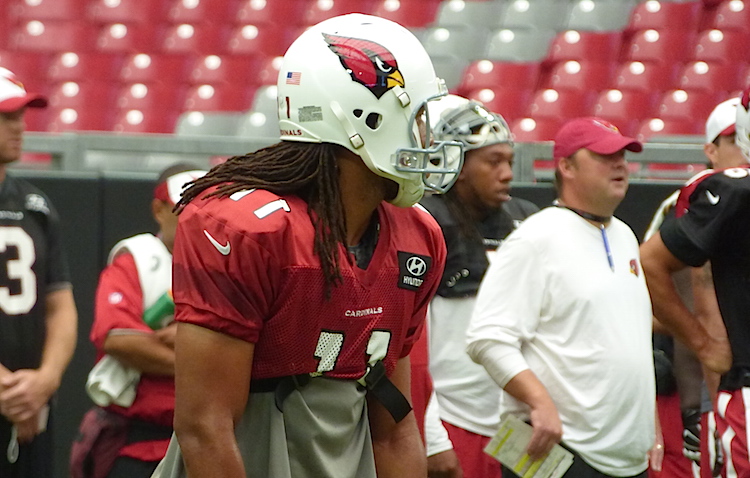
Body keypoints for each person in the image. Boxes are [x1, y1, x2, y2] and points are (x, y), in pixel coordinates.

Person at [151, 13, 464, 478]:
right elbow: (205, 427)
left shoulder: (416, 236)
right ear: (365, 117)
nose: (427, 138)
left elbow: (394, 428)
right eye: (417, 118)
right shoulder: (246, 229)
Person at [467, 117, 659, 477]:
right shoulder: (535, 238)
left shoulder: (624, 235)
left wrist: (648, 424)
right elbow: (487, 339)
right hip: (559, 448)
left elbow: (627, 340)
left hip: (628, 454)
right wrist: (540, 403)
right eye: (604, 156)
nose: (619, 165)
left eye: (622, 155)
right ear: (566, 167)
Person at [416, 95, 539, 478]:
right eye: (493, 161)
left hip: (519, 425)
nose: (507, 173)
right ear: (455, 163)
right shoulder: (425, 226)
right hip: (454, 421)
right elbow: (409, 350)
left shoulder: (527, 222)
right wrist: (432, 438)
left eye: (509, 161)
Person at [69, 164, 205, 478]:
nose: (195, 221)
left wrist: (180, 339)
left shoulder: (229, 262)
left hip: (203, 442)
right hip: (138, 442)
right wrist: (205, 357)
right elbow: (118, 339)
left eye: (204, 211)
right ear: (159, 210)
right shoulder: (138, 257)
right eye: (184, 210)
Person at [641, 88, 750, 477]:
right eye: (727, 140)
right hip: (723, 375)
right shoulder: (714, 195)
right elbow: (666, 283)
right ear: (711, 148)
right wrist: (706, 347)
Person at [0, 67, 78, 477]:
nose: (20, 127)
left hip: (29, 413)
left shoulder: (36, 206)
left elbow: (60, 306)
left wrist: (44, 382)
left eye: (21, 115)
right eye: (6, 116)